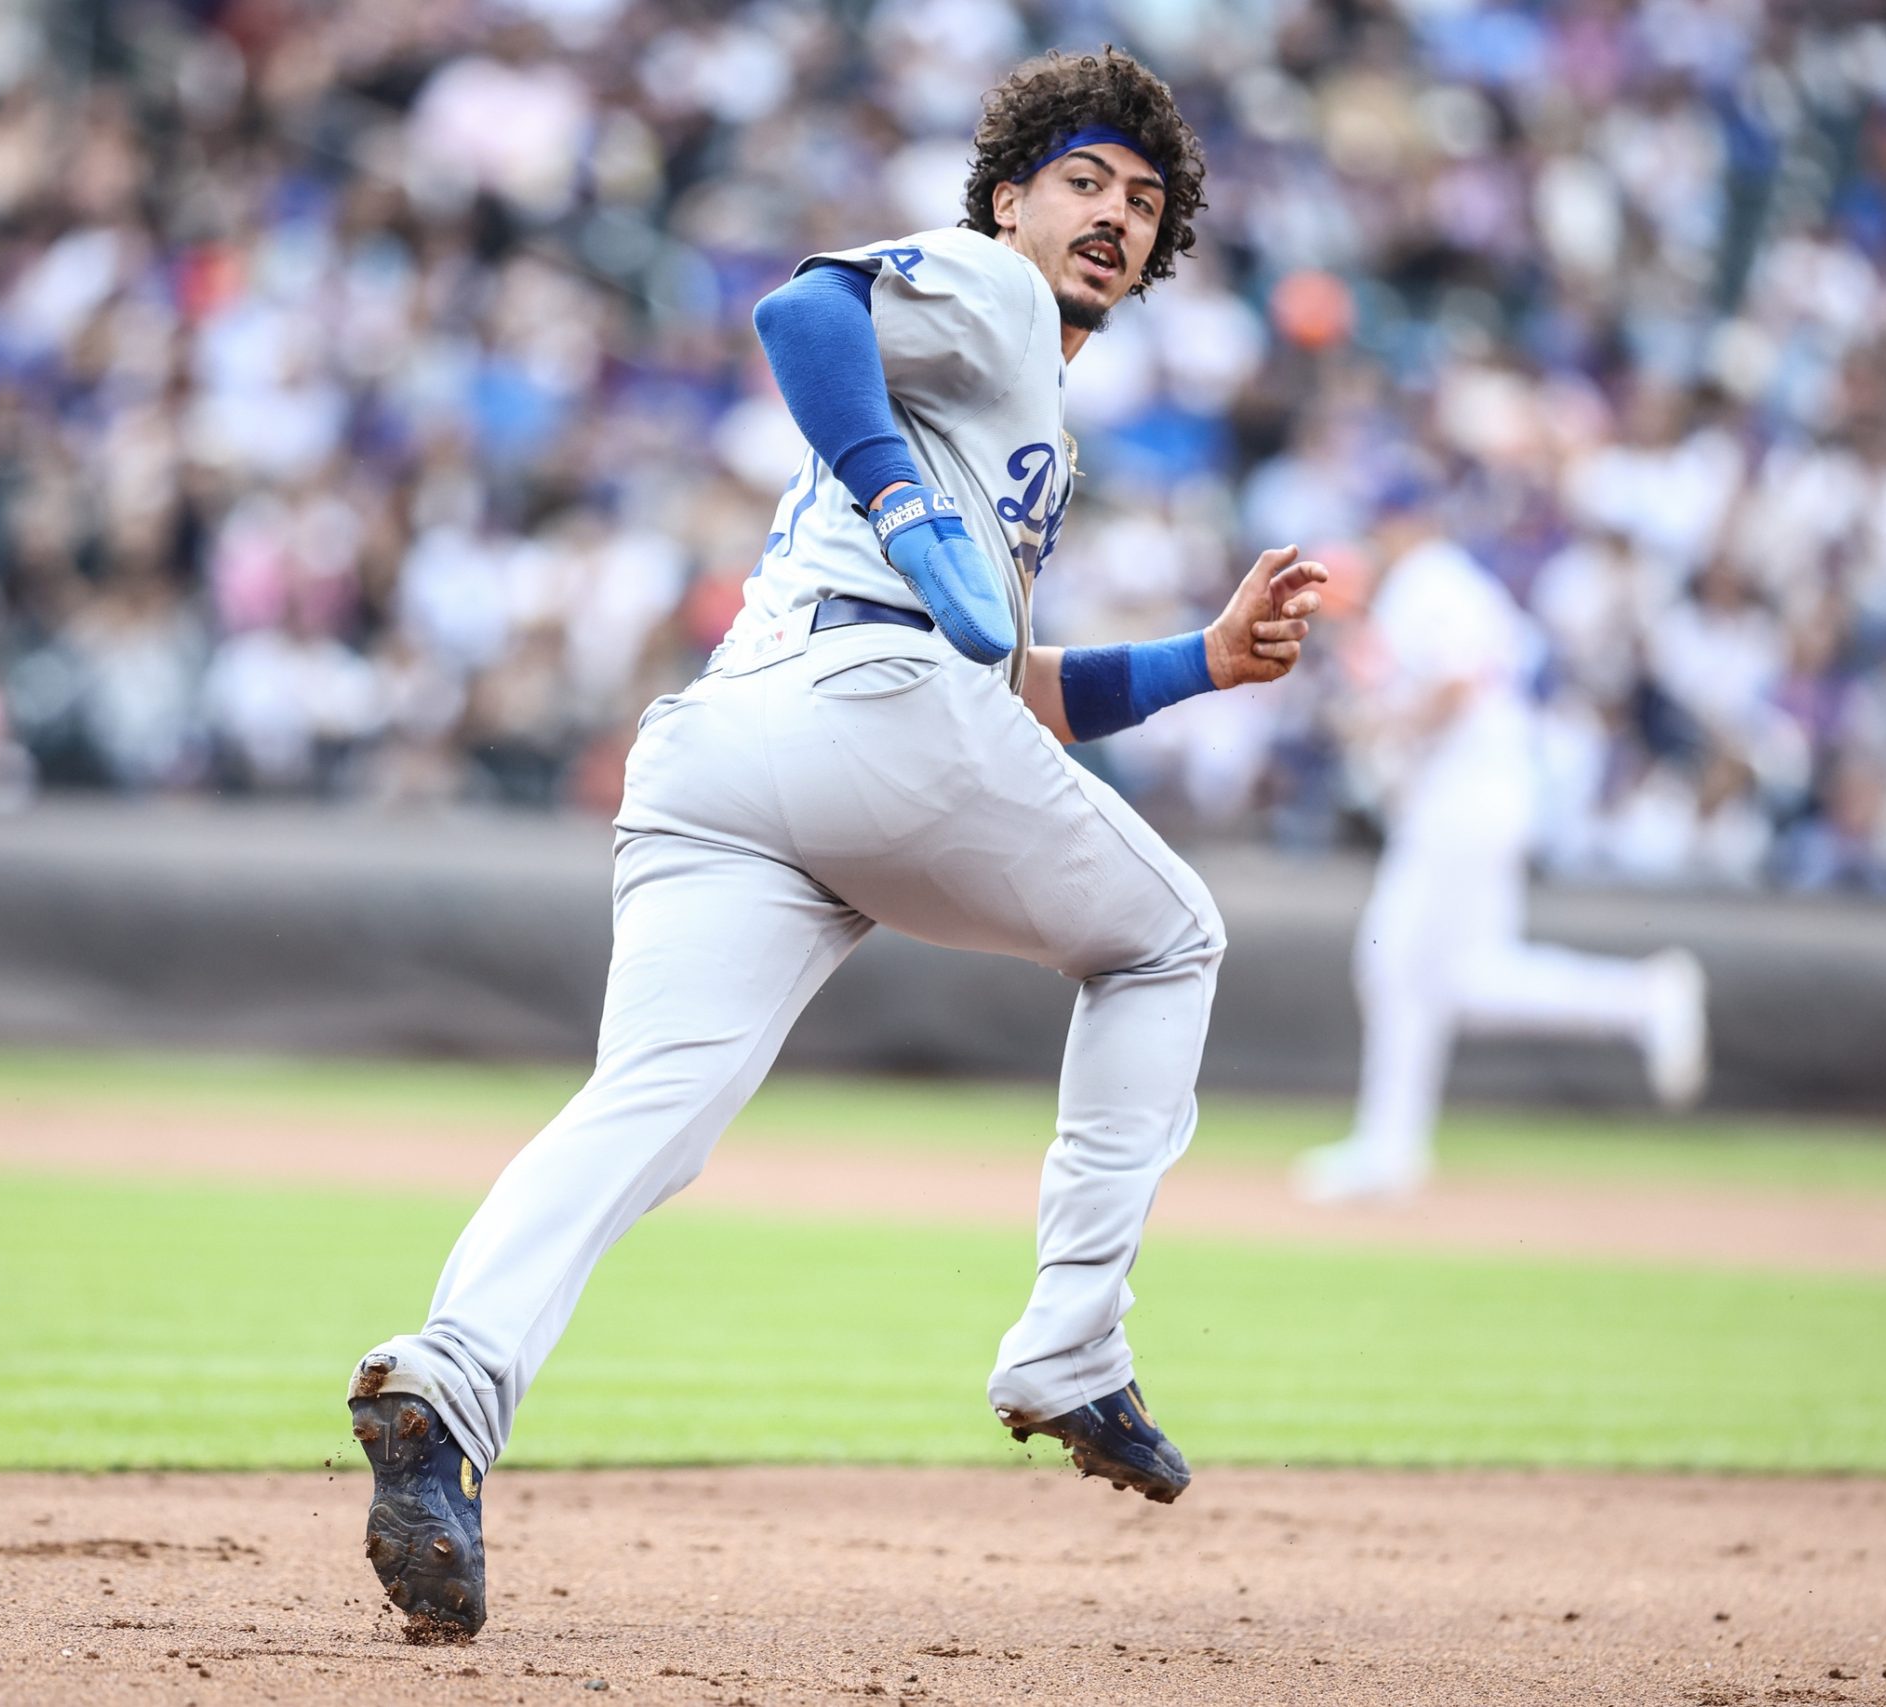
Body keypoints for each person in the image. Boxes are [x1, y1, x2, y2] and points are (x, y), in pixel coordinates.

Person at [345, 48, 1330, 1640]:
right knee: (1168, 937)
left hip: (736, 749)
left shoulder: (1013, 401)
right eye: (1085, 179)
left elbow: (1013, 685)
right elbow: (802, 313)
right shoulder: (996, 296)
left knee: (646, 1111)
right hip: (869, 710)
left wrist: (1202, 662)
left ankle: (447, 1379)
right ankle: (1074, 1342)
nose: (1115, 216)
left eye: (1145, 203)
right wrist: (910, 509)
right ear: (1011, 196)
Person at [1292, 476, 1707, 1205]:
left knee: (1389, 960)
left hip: (1464, 800)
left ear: (1407, 523)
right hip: (1490, 795)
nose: (1380, 536)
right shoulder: (1455, 583)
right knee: (1470, 979)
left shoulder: (1428, 581)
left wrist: (1381, 727)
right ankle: (1643, 999)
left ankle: (1388, 1149)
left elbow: (1456, 685)